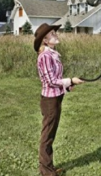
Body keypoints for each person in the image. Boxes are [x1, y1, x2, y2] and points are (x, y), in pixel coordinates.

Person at [34, 23, 85, 176]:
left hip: (56, 97)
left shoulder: (52, 54)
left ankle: (48, 167)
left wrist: (67, 86)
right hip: (50, 100)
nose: (56, 35)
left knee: (51, 135)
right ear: (45, 40)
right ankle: (46, 171)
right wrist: (70, 80)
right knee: (47, 136)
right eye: (52, 34)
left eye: (54, 32)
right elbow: (50, 81)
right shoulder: (45, 56)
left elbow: (56, 79)